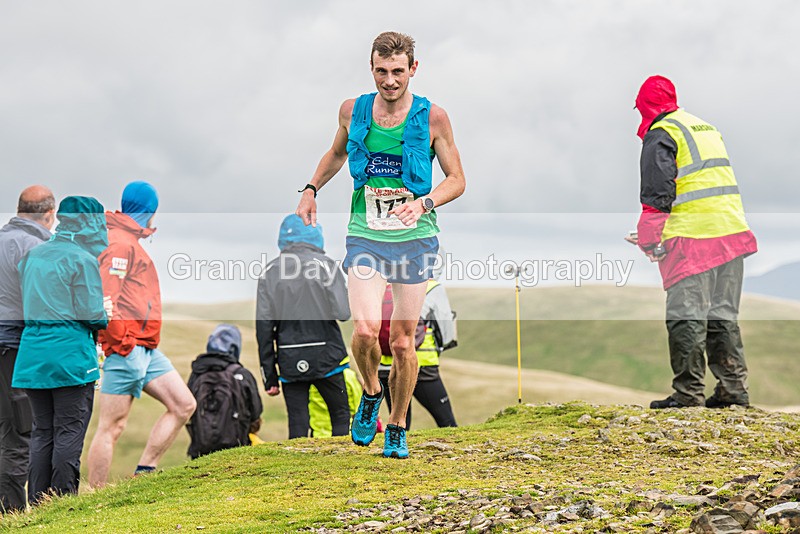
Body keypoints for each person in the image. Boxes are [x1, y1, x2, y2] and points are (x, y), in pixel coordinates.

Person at [294, 31, 466, 458]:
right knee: (366, 331)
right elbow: (336, 154)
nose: (389, 80)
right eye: (381, 71)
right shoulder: (352, 111)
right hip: (366, 233)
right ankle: (372, 393)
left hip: (414, 238)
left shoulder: (434, 118)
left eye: (397, 71)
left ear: (413, 69)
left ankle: (398, 423)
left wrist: (424, 201)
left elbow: (458, 180)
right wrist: (311, 188)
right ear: (371, 68)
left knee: (404, 343)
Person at [632, 75, 757, 410]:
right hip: (731, 233)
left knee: (686, 317)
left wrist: (648, 239)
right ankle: (733, 391)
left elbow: (657, 194)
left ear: (644, 106)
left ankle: (688, 395)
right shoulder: (705, 128)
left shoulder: (663, 133)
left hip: (693, 239)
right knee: (723, 316)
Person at [87, 181, 196, 487]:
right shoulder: (120, 243)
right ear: (149, 210)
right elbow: (106, 299)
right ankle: (96, 497)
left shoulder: (128, 240)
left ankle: (143, 474)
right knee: (112, 426)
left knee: (183, 404)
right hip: (128, 346)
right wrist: (122, 343)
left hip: (146, 348)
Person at [13, 196, 109, 505]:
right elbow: (91, 314)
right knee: (69, 430)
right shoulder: (82, 259)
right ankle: (64, 502)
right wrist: (106, 315)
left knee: (42, 432)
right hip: (69, 357)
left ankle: (40, 504)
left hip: (32, 356)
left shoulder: (33, 256)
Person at [256, 214, 352, 439]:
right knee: (340, 415)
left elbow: (264, 329)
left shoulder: (269, 272)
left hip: (289, 359)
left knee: (297, 422)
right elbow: (343, 313)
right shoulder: (326, 265)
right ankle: (343, 467)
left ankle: (294, 472)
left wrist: (269, 376)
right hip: (328, 356)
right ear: (316, 235)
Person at [0, 186, 55, 513]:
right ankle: (12, 514)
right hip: (17, 349)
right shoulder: (37, 247)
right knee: (21, 433)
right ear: (50, 213)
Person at [378, 279, 458, 429]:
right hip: (422, 365)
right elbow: (445, 328)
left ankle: (395, 450)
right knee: (447, 422)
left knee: (399, 423)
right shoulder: (432, 286)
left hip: (386, 366)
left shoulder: (387, 287)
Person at [186, 324, 262, 459]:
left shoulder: (197, 373)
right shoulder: (242, 374)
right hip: (237, 447)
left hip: (200, 450)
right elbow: (256, 411)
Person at [308, 358, 363, 438]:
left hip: (318, 433)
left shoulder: (311, 378)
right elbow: (358, 408)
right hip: (346, 431)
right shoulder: (350, 375)